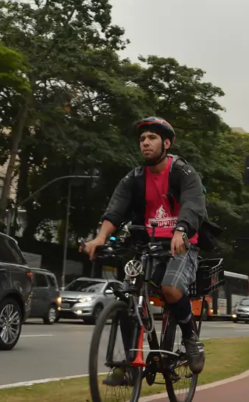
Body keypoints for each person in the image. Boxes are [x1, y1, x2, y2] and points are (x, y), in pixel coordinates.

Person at [81, 116, 207, 384]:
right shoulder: (134, 178)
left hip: (182, 247)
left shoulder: (183, 172)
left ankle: (190, 338)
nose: (146, 143)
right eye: (142, 139)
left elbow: (193, 205)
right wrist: (100, 237)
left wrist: (181, 230)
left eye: (152, 138)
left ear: (167, 143)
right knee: (128, 298)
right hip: (146, 248)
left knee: (171, 289)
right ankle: (128, 366)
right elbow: (115, 210)